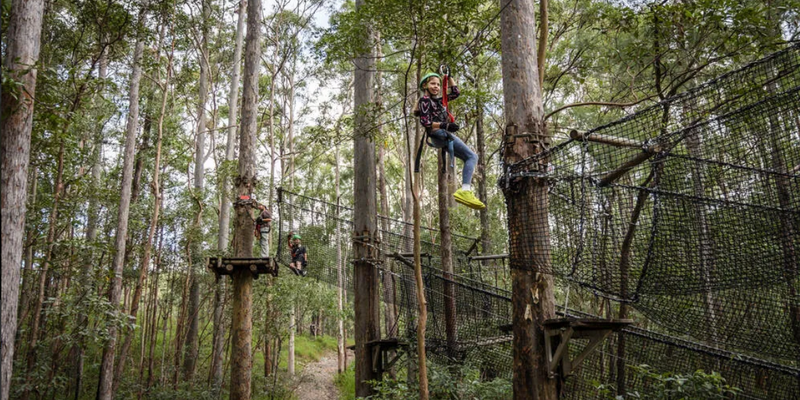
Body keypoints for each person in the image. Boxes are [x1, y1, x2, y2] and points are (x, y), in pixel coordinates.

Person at [417, 72, 486, 210]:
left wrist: (449, 76)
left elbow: (455, 93)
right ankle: (465, 190)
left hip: (441, 136)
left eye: (438, 84)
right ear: (425, 86)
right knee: (472, 156)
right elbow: (425, 122)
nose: (436, 87)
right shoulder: (424, 100)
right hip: (439, 134)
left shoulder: (438, 101)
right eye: (432, 84)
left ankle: (465, 191)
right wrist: (445, 125)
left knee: (469, 157)